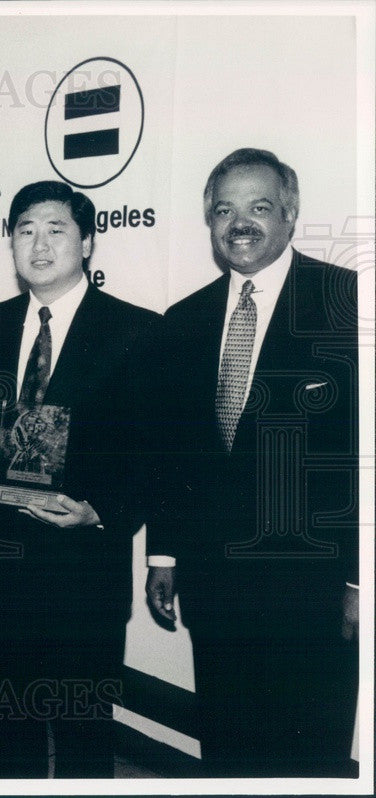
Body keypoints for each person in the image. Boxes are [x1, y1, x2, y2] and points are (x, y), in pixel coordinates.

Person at [145, 148, 359, 777]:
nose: (239, 223)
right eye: (224, 210)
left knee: (309, 753)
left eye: (258, 208)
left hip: (314, 589)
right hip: (215, 587)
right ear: (209, 223)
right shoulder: (181, 321)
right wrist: (165, 556)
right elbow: (172, 453)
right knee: (229, 749)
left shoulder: (348, 303)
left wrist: (359, 581)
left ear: (290, 215)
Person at [0, 180, 158, 777]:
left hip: (85, 569)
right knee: (8, 737)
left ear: (89, 242)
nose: (40, 244)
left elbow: (157, 455)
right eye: (25, 230)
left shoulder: (136, 331)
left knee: (82, 738)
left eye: (56, 229)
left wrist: (99, 510)